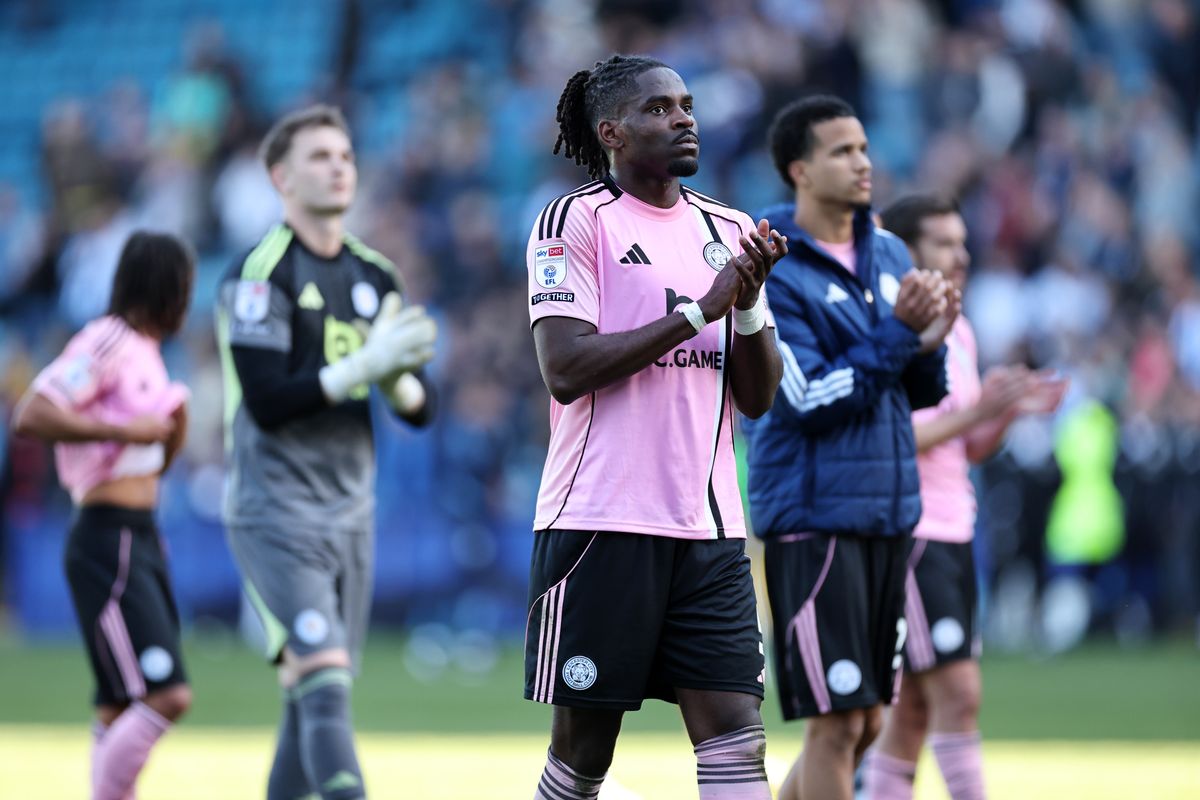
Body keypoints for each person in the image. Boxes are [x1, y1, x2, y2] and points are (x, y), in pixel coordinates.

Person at [524, 54, 787, 800]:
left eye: (687, 105)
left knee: (738, 737)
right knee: (582, 759)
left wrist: (748, 303)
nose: (683, 119)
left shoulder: (729, 228)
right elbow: (566, 368)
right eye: (660, 108)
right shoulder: (573, 222)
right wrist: (700, 309)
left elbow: (759, 398)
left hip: (708, 530)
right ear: (611, 131)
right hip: (600, 520)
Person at [214, 104, 437, 800]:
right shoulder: (260, 271)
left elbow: (420, 409)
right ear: (280, 176)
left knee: (310, 689)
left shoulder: (378, 275)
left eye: (344, 155)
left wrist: (395, 377)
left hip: (351, 511)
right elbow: (268, 400)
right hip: (276, 509)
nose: (338, 166)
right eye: (319, 156)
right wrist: (361, 366)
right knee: (325, 676)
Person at [742, 95, 959, 800]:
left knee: (866, 722)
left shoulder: (889, 251)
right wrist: (900, 334)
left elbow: (913, 391)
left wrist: (932, 338)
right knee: (835, 725)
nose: (863, 163)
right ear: (799, 170)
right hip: (815, 521)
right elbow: (802, 401)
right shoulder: (773, 263)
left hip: (889, 512)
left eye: (864, 148)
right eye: (843, 151)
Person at [862, 195, 1066, 800]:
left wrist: (1001, 414)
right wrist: (979, 410)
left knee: (914, 711)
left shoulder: (963, 329)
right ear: (907, 252)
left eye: (962, 241)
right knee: (958, 692)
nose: (963, 254)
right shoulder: (893, 326)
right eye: (946, 243)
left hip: (954, 525)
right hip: (913, 528)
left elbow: (967, 448)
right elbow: (890, 437)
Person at [12, 231, 195, 800]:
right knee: (167, 694)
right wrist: (126, 429)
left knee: (118, 703)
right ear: (167, 286)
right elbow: (33, 412)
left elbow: (149, 452)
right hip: (106, 534)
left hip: (138, 532)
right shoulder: (107, 340)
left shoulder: (148, 353)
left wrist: (172, 428)